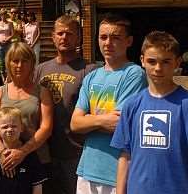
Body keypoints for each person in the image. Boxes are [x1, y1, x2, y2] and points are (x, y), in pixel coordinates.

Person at [70, 13, 147, 194]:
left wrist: (88, 121)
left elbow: (120, 125)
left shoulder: (134, 74)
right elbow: (74, 124)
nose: (107, 43)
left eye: (115, 37)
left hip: (116, 172)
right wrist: (101, 121)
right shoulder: (91, 77)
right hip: (87, 169)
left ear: (129, 41)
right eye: (103, 37)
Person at [111, 31, 188, 194]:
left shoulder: (185, 104)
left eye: (166, 61)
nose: (158, 68)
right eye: (152, 61)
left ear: (177, 63)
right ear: (142, 61)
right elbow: (125, 156)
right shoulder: (132, 105)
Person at [34, 15, 96, 194]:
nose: (64, 38)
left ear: (78, 38)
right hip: (44, 152)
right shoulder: (40, 70)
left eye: (69, 34)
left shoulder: (89, 70)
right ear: (53, 37)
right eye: (60, 33)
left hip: (75, 152)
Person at [0, 42, 53, 191]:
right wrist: (2, 151)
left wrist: (22, 152)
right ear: (8, 63)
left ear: (32, 63)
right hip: (5, 161)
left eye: (24, 61)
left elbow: (46, 128)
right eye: (15, 60)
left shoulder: (42, 92)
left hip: (36, 161)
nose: (19, 65)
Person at [0, 107, 48, 194]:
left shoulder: (30, 155)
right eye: (5, 127)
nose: (10, 129)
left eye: (14, 126)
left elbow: (37, 185)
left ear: (22, 128)